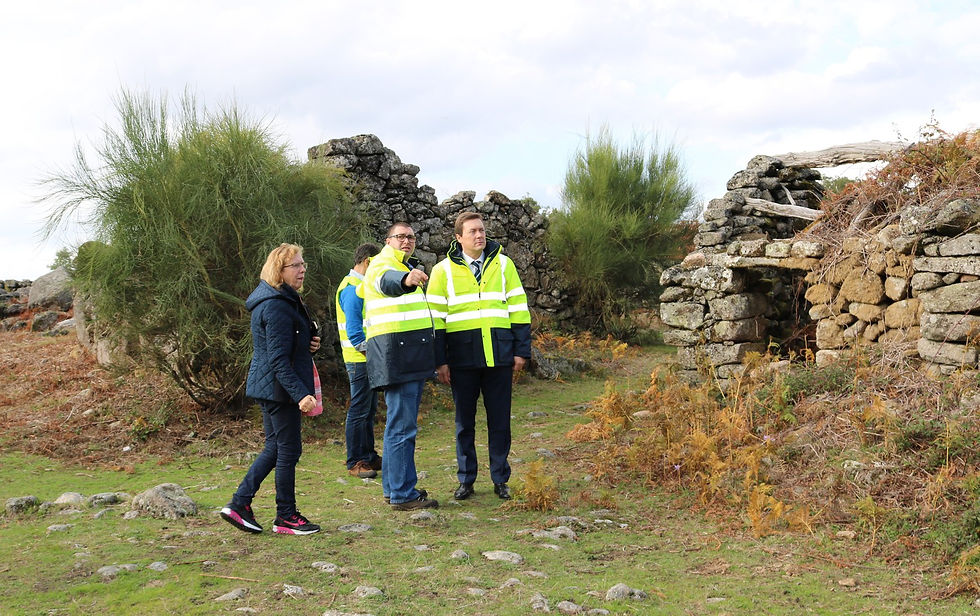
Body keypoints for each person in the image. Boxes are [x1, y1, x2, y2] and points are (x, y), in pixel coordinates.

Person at [427, 212, 531, 501]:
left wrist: (521, 350)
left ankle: (500, 478)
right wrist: (440, 361)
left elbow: (519, 308)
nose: (479, 235)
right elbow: (436, 319)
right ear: (458, 237)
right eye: (472, 231)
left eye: (482, 230)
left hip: (499, 356)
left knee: (500, 421)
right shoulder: (442, 271)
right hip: (462, 359)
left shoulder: (504, 264)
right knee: (464, 423)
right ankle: (466, 480)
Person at [220, 243, 322, 535]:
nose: (302, 270)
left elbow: (286, 347)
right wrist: (300, 393)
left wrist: (309, 344)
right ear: (280, 270)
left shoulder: (283, 300)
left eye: (303, 265)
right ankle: (285, 516)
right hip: (280, 389)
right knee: (288, 450)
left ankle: (240, 504)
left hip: (274, 387)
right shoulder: (276, 305)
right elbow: (277, 358)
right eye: (296, 266)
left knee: (276, 448)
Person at [360, 222, 439, 510]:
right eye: (400, 237)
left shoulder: (402, 264)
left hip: (403, 356)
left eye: (411, 237)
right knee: (402, 428)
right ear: (387, 240)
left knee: (397, 426)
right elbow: (388, 281)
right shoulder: (383, 264)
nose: (407, 241)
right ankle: (403, 494)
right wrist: (406, 280)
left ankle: (395, 488)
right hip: (398, 357)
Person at [337, 242, 382, 478]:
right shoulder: (354, 288)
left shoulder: (359, 286)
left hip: (365, 359)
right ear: (367, 262)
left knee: (368, 408)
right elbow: (355, 333)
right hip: (360, 360)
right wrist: (377, 356)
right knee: (359, 409)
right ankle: (356, 461)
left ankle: (368, 456)